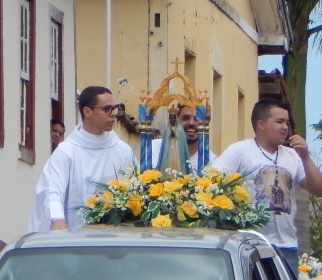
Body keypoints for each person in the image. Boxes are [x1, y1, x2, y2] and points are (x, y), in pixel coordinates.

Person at [209, 99, 322, 273]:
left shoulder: (293, 156)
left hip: (286, 247)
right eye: (279, 122)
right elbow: (211, 182)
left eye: (287, 122)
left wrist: (305, 157)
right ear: (261, 124)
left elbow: (319, 190)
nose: (285, 127)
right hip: (249, 244)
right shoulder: (240, 151)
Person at [28, 85, 136, 232]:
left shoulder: (122, 151)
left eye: (115, 108)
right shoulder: (66, 152)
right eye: (107, 109)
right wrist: (58, 219)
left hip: (115, 240)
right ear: (87, 111)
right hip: (75, 241)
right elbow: (52, 189)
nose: (113, 114)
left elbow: (135, 188)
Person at [150, 103, 215, 173]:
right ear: (176, 121)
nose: (191, 123)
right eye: (185, 118)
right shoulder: (155, 147)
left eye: (197, 119)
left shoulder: (210, 159)